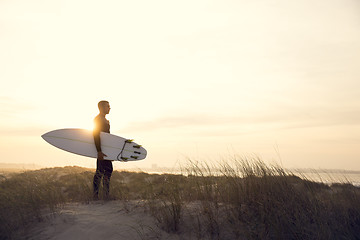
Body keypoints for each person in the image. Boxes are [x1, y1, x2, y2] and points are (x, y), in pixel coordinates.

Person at [93, 100, 112, 199]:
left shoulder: (104, 120)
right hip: (101, 150)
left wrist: (111, 153)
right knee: (101, 172)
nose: (110, 108)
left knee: (105, 171)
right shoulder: (98, 119)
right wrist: (99, 151)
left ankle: (104, 194)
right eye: (107, 106)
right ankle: (97, 195)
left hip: (105, 150)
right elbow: (96, 135)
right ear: (101, 108)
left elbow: (107, 139)